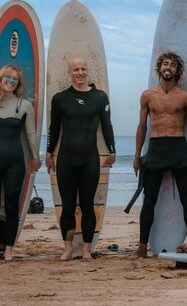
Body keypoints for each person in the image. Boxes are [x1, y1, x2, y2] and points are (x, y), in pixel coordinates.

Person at [133, 51, 187, 258]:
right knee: (149, 200)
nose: (168, 67)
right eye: (165, 64)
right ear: (159, 68)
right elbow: (142, 127)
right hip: (156, 148)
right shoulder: (148, 95)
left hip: (178, 148)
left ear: (177, 71)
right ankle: (141, 246)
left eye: (173, 65)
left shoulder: (185, 97)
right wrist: (137, 155)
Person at [46, 58, 116, 260]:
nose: (80, 72)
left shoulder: (100, 97)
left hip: (89, 159)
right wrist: (49, 153)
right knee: (67, 204)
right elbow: (53, 129)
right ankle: (68, 248)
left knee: (87, 204)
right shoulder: (60, 98)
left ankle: (86, 249)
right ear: (70, 73)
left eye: (83, 69)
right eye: (76, 69)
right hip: (66, 159)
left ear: (88, 72)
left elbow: (107, 126)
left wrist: (112, 151)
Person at [0, 65, 40, 260]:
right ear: (1, 78)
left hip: (14, 163)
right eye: (8, 77)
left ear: (18, 83)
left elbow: (30, 135)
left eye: (14, 79)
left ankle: (9, 249)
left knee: (11, 206)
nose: (10, 81)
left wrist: (36, 158)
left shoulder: (24, 105)